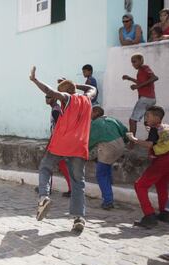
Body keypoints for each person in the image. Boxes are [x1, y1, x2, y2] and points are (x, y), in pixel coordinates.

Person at [29, 66, 97, 232]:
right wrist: (75, 85)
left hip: (61, 144)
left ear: (66, 92)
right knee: (78, 182)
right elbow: (92, 89)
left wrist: (35, 80)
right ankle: (78, 218)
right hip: (79, 146)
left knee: (45, 167)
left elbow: (50, 91)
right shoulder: (87, 99)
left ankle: (44, 197)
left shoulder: (68, 99)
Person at [127, 106, 169, 228]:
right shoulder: (164, 128)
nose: (146, 118)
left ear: (157, 117)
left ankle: (149, 215)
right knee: (161, 185)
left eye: (148, 116)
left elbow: (149, 144)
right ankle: (165, 213)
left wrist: (133, 139)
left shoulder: (155, 129)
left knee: (140, 185)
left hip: (162, 160)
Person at [89, 106, 128, 210]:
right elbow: (125, 131)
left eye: (90, 112)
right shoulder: (113, 119)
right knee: (106, 168)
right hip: (120, 146)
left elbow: (91, 139)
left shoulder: (95, 123)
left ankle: (108, 201)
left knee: (101, 174)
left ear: (96, 112)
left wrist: (84, 151)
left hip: (108, 148)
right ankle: (109, 186)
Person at [35, 95, 72, 197]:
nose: (47, 99)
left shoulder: (55, 111)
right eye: (46, 97)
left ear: (55, 98)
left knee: (48, 164)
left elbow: (59, 127)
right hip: (58, 140)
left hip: (57, 141)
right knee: (61, 165)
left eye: (49, 97)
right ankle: (48, 187)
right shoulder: (56, 109)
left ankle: (46, 188)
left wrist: (51, 141)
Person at [122, 53, 158, 138]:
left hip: (146, 98)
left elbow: (154, 78)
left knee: (132, 120)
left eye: (134, 62)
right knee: (148, 122)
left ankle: (132, 143)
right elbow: (142, 83)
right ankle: (154, 140)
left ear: (141, 60)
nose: (133, 64)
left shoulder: (145, 68)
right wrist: (129, 78)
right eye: (132, 62)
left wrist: (137, 86)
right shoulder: (141, 70)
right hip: (150, 98)